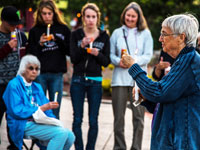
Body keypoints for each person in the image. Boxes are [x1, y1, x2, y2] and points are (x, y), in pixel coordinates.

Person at [122, 13, 200, 150]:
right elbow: (167, 99)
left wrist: (133, 67)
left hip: (180, 143)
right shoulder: (183, 60)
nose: (160, 38)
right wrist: (146, 98)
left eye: (164, 34)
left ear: (181, 37)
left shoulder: (189, 61)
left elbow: (160, 92)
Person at [3, 55, 75, 150]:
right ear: (23, 69)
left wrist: (53, 121)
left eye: (37, 69)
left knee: (70, 136)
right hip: (22, 123)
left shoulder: (37, 86)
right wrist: (41, 108)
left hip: (38, 121)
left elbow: (47, 110)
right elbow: (16, 111)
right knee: (61, 134)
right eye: (31, 68)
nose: (34, 71)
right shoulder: (14, 85)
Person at [110, 2, 153, 150]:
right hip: (119, 81)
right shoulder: (117, 33)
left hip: (138, 81)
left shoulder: (145, 33)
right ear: (124, 16)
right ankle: (119, 147)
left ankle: (136, 147)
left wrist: (132, 63)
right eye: (128, 15)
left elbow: (148, 55)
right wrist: (118, 62)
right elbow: (111, 55)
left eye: (133, 16)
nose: (130, 18)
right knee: (118, 118)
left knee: (139, 118)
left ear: (138, 17)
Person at [70, 3, 110, 150]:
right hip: (78, 80)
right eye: (88, 16)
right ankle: (79, 148)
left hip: (95, 81)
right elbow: (73, 58)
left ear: (97, 18)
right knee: (77, 119)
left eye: (93, 16)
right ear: (83, 18)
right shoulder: (76, 35)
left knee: (93, 120)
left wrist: (97, 54)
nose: (91, 20)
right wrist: (82, 47)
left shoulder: (104, 37)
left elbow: (106, 62)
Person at [27, 0, 71, 119]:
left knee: (55, 109)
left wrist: (57, 39)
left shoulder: (63, 29)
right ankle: (37, 137)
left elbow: (69, 51)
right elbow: (29, 55)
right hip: (39, 74)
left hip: (57, 74)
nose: (47, 16)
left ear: (54, 13)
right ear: (39, 14)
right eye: (44, 13)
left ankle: (55, 136)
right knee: (39, 108)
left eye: (49, 13)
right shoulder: (34, 31)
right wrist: (39, 44)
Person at [0, 6, 27, 150]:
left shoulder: (20, 35)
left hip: (15, 86)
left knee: (14, 121)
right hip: (0, 85)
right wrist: (7, 47)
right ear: (3, 21)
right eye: (11, 23)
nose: (14, 26)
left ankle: (15, 147)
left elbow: (25, 57)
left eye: (16, 23)